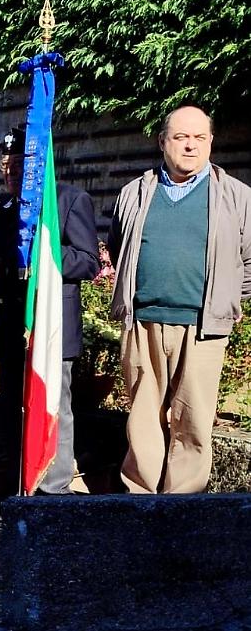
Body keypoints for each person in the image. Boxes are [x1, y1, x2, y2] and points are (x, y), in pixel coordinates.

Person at [108, 105, 251, 494]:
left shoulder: (237, 197)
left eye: (199, 138)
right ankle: (142, 497)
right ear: (162, 142)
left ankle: (182, 504)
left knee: (194, 418)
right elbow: (119, 245)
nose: (190, 146)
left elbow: (249, 260)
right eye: (180, 137)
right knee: (142, 414)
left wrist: (227, 300)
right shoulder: (135, 193)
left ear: (210, 142)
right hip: (143, 320)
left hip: (204, 325)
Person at [0, 127, 99, 494]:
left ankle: (54, 488)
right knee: (11, 410)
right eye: (6, 168)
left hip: (53, 328)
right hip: (13, 329)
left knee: (54, 408)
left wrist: (47, 252)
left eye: (19, 168)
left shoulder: (68, 201)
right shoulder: (4, 210)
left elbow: (87, 262)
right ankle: (17, 483)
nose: (11, 176)